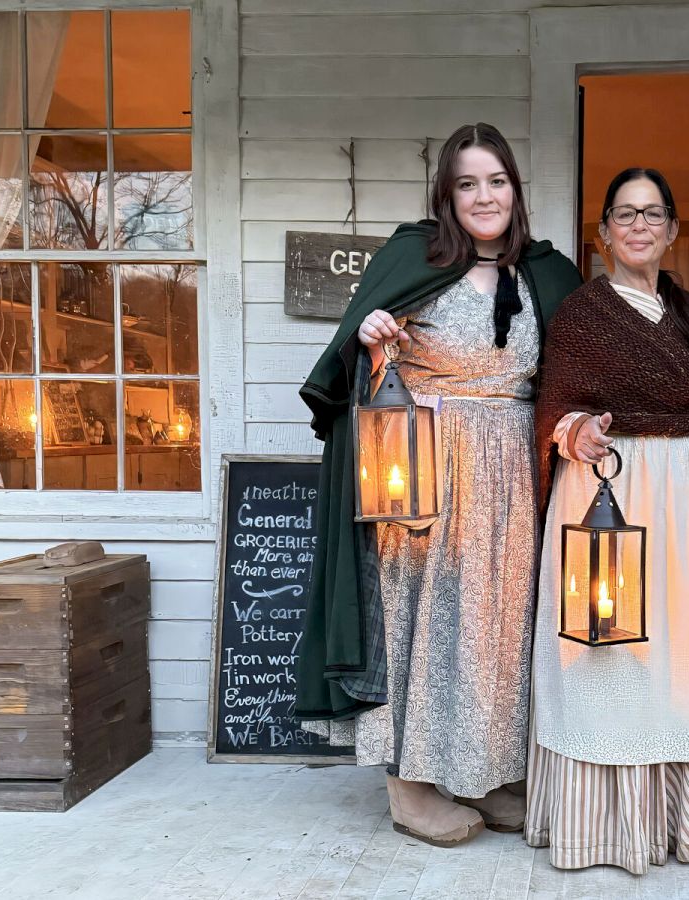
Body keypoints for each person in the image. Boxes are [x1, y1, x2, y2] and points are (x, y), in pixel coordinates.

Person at [294, 123, 581, 847]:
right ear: (446, 195)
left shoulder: (546, 273)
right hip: (422, 470)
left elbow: (573, 372)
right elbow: (352, 370)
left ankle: (486, 772)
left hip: (515, 473)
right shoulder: (410, 258)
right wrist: (374, 345)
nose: (484, 196)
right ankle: (411, 786)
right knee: (421, 623)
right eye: (467, 183)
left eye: (496, 181)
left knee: (499, 628)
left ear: (515, 190)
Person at [526, 168, 689, 875]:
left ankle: (684, 818)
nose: (639, 225)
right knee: (611, 657)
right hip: (610, 496)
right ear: (603, 234)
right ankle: (603, 825)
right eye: (624, 214)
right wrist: (577, 433)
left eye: (653, 213)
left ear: (670, 229)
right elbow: (553, 406)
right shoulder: (580, 314)